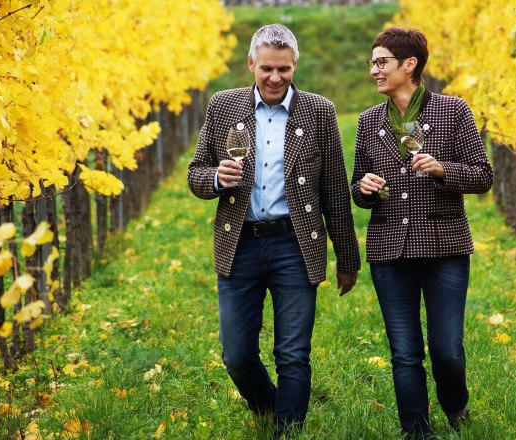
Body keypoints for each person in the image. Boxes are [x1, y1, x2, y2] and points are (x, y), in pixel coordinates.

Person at [187, 24, 360, 438]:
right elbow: (195, 176)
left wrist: (347, 259)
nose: (275, 78)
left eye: (284, 69)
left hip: (295, 244)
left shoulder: (319, 110)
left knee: (293, 354)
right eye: (267, 68)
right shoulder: (223, 106)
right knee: (237, 355)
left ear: (294, 64)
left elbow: (335, 190)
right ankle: (271, 408)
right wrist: (216, 177)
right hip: (240, 243)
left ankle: (288, 430)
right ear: (251, 64)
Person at [351, 27, 493, 439]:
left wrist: (444, 170)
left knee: (447, 350)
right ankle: (416, 430)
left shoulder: (453, 111)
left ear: (409, 65)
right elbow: (359, 184)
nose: (374, 70)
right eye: (372, 63)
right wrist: (365, 189)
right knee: (404, 353)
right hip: (389, 251)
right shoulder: (367, 121)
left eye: (381, 62)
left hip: (444, 248)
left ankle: (456, 406)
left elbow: (483, 175)